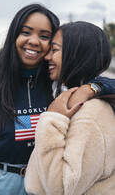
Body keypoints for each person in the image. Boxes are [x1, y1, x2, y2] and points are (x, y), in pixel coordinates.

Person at [0, 6, 115, 195]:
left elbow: (98, 79)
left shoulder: (57, 79)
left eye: (45, 37)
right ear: (13, 36)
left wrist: (93, 88)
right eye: (26, 32)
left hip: (40, 183)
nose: (34, 41)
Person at [24, 21, 115, 195]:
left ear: (77, 54)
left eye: (55, 50)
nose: (47, 57)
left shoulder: (89, 113)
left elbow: (60, 189)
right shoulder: (75, 97)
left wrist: (51, 119)